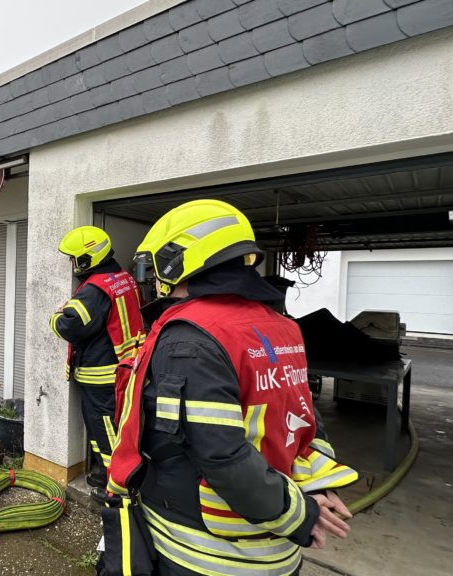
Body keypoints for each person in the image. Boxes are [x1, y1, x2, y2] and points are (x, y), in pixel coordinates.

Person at [100, 199, 358, 576]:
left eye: (153, 269)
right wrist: (313, 489)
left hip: (202, 551)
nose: (153, 280)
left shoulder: (189, 338)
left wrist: (299, 515)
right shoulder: (282, 326)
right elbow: (303, 417)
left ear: (176, 262)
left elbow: (221, 455)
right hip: (279, 551)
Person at [49, 226, 145, 500]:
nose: (72, 264)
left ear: (86, 259)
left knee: (104, 427)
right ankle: (106, 472)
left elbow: (71, 326)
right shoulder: (122, 277)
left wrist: (55, 317)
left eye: (74, 258)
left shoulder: (94, 289)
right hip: (123, 366)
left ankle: (116, 483)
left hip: (101, 373)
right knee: (107, 425)